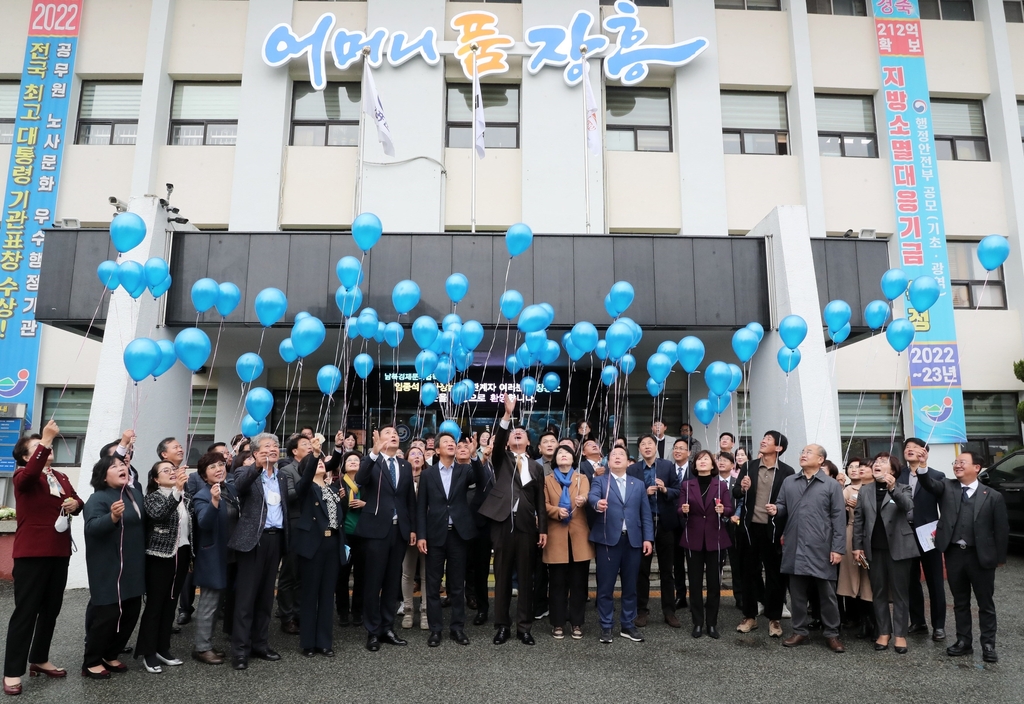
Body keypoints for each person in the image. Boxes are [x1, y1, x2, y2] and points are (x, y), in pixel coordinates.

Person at [3, 422, 82, 695]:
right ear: (26, 457)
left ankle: (39, 658)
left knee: (51, 610)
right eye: (36, 448)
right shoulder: (23, 475)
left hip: (59, 551)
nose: (45, 450)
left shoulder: (59, 476)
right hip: (31, 554)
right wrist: (46, 439)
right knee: (26, 612)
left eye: (46, 446)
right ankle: (12, 671)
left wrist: (75, 503)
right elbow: (29, 476)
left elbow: (76, 499)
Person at [918, 451, 1008, 663]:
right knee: (960, 602)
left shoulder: (992, 496)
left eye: (962, 462)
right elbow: (928, 483)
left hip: (981, 556)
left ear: (976, 467)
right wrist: (923, 466)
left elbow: (1001, 529)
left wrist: (999, 557)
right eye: (955, 462)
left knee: (985, 603)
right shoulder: (947, 487)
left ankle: (988, 644)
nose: (957, 465)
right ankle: (963, 641)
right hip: (955, 554)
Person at [478, 393, 547, 646]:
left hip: (528, 526)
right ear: (507, 442)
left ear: (529, 442)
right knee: (503, 576)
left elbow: (540, 500)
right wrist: (507, 415)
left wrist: (544, 530)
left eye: (522, 433)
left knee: (526, 578)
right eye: (513, 433)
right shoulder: (502, 459)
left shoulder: (537, 468)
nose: (517, 434)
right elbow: (496, 445)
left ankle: (524, 627)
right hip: (502, 523)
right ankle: (502, 626)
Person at [766, 444, 846, 653]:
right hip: (795, 544)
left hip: (822, 546)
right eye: (803, 451)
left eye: (809, 452)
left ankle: (832, 633)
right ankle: (799, 630)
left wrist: (838, 548)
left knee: (827, 594)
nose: (803, 454)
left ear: (821, 460)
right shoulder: (789, 481)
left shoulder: (830, 485)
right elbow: (782, 505)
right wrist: (777, 509)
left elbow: (839, 518)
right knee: (797, 593)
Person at [228, 432, 291, 670]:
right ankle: (240, 650)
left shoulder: (282, 477)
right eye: (266, 447)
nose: (272, 449)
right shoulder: (245, 472)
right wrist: (257, 466)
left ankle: (260, 644)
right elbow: (239, 488)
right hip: (252, 541)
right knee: (246, 599)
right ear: (255, 453)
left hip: (276, 539)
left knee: (266, 597)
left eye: (275, 446)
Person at [82, 454, 145, 679]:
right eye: (114, 466)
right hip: (108, 568)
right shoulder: (97, 499)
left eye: (123, 465)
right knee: (107, 615)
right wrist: (112, 517)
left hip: (133, 565)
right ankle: (91, 662)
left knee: (130, 612)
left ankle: (111, 654)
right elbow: (91, 528)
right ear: (103, 475)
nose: (121, 468)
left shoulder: (134, 493)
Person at [355, 426, 417, 652]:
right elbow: (360, 480)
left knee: (392, 582)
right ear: (379, 439)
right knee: (373, 581)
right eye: (388, 433)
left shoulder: (405, 465)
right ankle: (372, 630)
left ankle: (387, 627)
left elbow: (410, 499)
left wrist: (411, 528)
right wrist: (373, 453)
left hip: (398, 530)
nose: (394, 435)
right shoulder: (371, 461)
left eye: (396, 433)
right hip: (375, 530)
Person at [416, 432, 477, 647]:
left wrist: (474, 455)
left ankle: (457, 628)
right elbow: (421, 507)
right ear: (438, 450)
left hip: (458, 534)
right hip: (434, 534)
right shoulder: (428, 474)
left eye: (454, 442)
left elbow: (480, 477)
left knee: (457, 585)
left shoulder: (464, 470)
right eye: (447, 443)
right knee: (433, 585)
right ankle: (435, 630)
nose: (451, 445)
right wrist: (421, 535)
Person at [852, 452, 915, 654]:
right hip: (873, 549)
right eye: (876, 462)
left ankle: (900, 635)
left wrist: (892, 488)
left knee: (900, 594)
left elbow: (908, 508)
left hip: (899, 548)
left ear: (893, 470)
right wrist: (857, 546)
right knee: (878, 592)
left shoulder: (903, 487)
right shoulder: (865, 490)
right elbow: (859, 520)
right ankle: (883, 632)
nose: (877, 464)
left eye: (883, 462)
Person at [589, 446, 653, 644]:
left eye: (621, 455)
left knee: (630, 586)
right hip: (608, 540)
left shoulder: (638, 484)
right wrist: (597, 504)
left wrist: (648, 538)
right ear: (608, 462)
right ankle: (606, 626)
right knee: (606, 587)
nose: (617, 457)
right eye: (613, 455)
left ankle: (627, 624)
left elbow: (646, 513)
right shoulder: (600, 481)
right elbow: (592, 497)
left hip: (633, 540)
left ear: (628, 462)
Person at [733, 431, 794, 637]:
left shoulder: (787, 471)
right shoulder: (748, 466)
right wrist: (741, 488)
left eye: (768, 439)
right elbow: (735, 493)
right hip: (750, 529)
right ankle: (749, 616)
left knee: (775, 576)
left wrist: (778, 510)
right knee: (748, 573)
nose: (763, 440)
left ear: (778, 448)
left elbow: (789, 502)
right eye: (764, 437)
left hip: (774, 529)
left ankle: (774, 618)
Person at [136, 460, 192, 673]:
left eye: (173, 469)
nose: (171, 473)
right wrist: (177, 491)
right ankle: (148, 652)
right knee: (155, 605)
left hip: (182, 553)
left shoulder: (187, 497)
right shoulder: (152, 498)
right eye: (165, 471)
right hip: (159, 556)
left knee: (171, 604)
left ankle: (162, 647)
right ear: (156, 479)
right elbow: (159, 514)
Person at [293, 451, 346, 657]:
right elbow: (305, 482)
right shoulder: (306, 488)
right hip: (312, 545)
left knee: (326, 594)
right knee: (310, 594)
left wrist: (338, 450)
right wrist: (314, 455)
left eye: (323, 462)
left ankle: (324, 641)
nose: (322, 464)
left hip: (332, 543)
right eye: (316, 463)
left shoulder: (333, 488)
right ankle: (308, 642)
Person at [679, 450, 733, 639]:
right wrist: (683, 510)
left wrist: (723, 509)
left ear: (712, 465)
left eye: (706, 459)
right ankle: (697, 623)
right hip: (693, 539)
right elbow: (680, 508)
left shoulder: (721, 486)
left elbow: (729, 509)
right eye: (700, 459)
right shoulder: (687, 485)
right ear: (695, 465)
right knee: (694, 584)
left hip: (715, 539)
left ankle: (711, 623)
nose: (703, 462)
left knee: (713, 584)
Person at [898, 438, 947, 641]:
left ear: (924, 452)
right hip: (904, 532)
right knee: (910, 580)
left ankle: (939, 626)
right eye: (907, 448)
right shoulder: (898, 474)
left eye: (914, 447)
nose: (909, 450)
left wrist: (923, 468)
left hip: (928, 533)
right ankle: (918, 622)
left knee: (935, 580)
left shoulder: (937, 475)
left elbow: (938, 493)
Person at [629, 434, 681, 628]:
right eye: (643, 444)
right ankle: (641, 610)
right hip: (643, 524)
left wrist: (665, 489)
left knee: (667, 570)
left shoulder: (667, 466)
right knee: (642, 570)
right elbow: (627, 495)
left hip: (665, 524)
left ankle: (669, 611)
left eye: (650, 443)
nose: (647, 447)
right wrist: (644, 491)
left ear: (656, 447)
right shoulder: (633, 469)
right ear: (639, 449)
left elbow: (678, 490)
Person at [191, 451, 238, 665]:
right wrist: (214, 501)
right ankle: (201, 648)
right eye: (212, 467)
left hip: (232, 554)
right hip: (213, 555)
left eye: (221, 464)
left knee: (219, 603)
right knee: (209, 603)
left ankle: (208, 644)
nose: (219, 469)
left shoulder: (231, 489)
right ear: (204, 475)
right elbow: (204, 522)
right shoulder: (202, 495)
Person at [543, 445, 593, 640]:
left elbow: (589, 497)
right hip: (556, 537)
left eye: (567, 453)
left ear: (573, 459)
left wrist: (584, 500)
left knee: (579, 584)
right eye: (560, 453)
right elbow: (543, 504)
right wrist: (556, 511)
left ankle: (577, 623)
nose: (564, 455)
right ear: (555, 459)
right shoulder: (547, 480)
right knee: (557, 584)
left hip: (579, 538)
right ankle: (557, 623)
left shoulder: (582, 479)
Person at [276, 434, 311, 635]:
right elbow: (288, 495)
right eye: (304, 444)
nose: (309, 447)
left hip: (311, 526)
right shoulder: (287, 470)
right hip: (295, 524)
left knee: (303, 575)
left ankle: (299, 613)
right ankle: (286, 616)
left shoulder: (316, 467)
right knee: (289, 574)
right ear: (294, 451)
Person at [836, 458, 873, 640]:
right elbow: (836, 513)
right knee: (852, 578)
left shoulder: (874, 488)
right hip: (851, 534)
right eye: (850, 467)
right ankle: (857, 619)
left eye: (858, 467)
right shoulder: (846, 490)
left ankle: (871, 622)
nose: (854, 470)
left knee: (869, 579)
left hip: (871, 535)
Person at [336, 451, 367, 628]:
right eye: (350, 460)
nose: (354, 462)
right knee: (342, 575)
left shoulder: (368, 484)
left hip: (363, 535)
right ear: (344, 465)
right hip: (344, 536)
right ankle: (342, 611)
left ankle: (358, 611)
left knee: (362, 575)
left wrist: (365, 504)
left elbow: (377, 505)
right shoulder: (337, 484)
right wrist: (339, 500)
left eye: (357, 460)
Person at [468, 435, 495, 626]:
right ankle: (482, 608)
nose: (493, 446)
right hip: (481, 524)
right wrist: (479, 458)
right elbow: (477, 474)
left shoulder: (509, 464)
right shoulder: (478, 465)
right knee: (480, 570)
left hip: (504, 523)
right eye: (491, 442)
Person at [400, 447, 428, 630]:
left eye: (420, 454)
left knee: (427, 574)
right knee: (407, 572)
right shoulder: (401, 479)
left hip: (427, 532)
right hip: (407, 532)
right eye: (413, 454)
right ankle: (408, 610)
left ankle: (425, 611)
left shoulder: (430, 477)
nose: (416, 457)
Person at [716, 451, 743, 611]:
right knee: (715, 562)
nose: (722, 462)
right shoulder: (712, 482)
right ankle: (714, 597)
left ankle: (739, 597)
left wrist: (736, 516)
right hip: (716, 525)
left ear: (733, 465)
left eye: (726, 460)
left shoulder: (736, 482)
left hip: (734, 525)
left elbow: (741, 502)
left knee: (736, 563)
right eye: (719, 460)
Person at [670, 437, 692, 611]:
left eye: (681, 448)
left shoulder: (696, 470)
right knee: (677, 561)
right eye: (675, 448)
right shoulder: (668, 469)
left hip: (693, 522)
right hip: (673, 522)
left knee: (694, 562)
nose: (677, 451)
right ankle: (680, 595)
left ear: (689, 453)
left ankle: (697, 596)